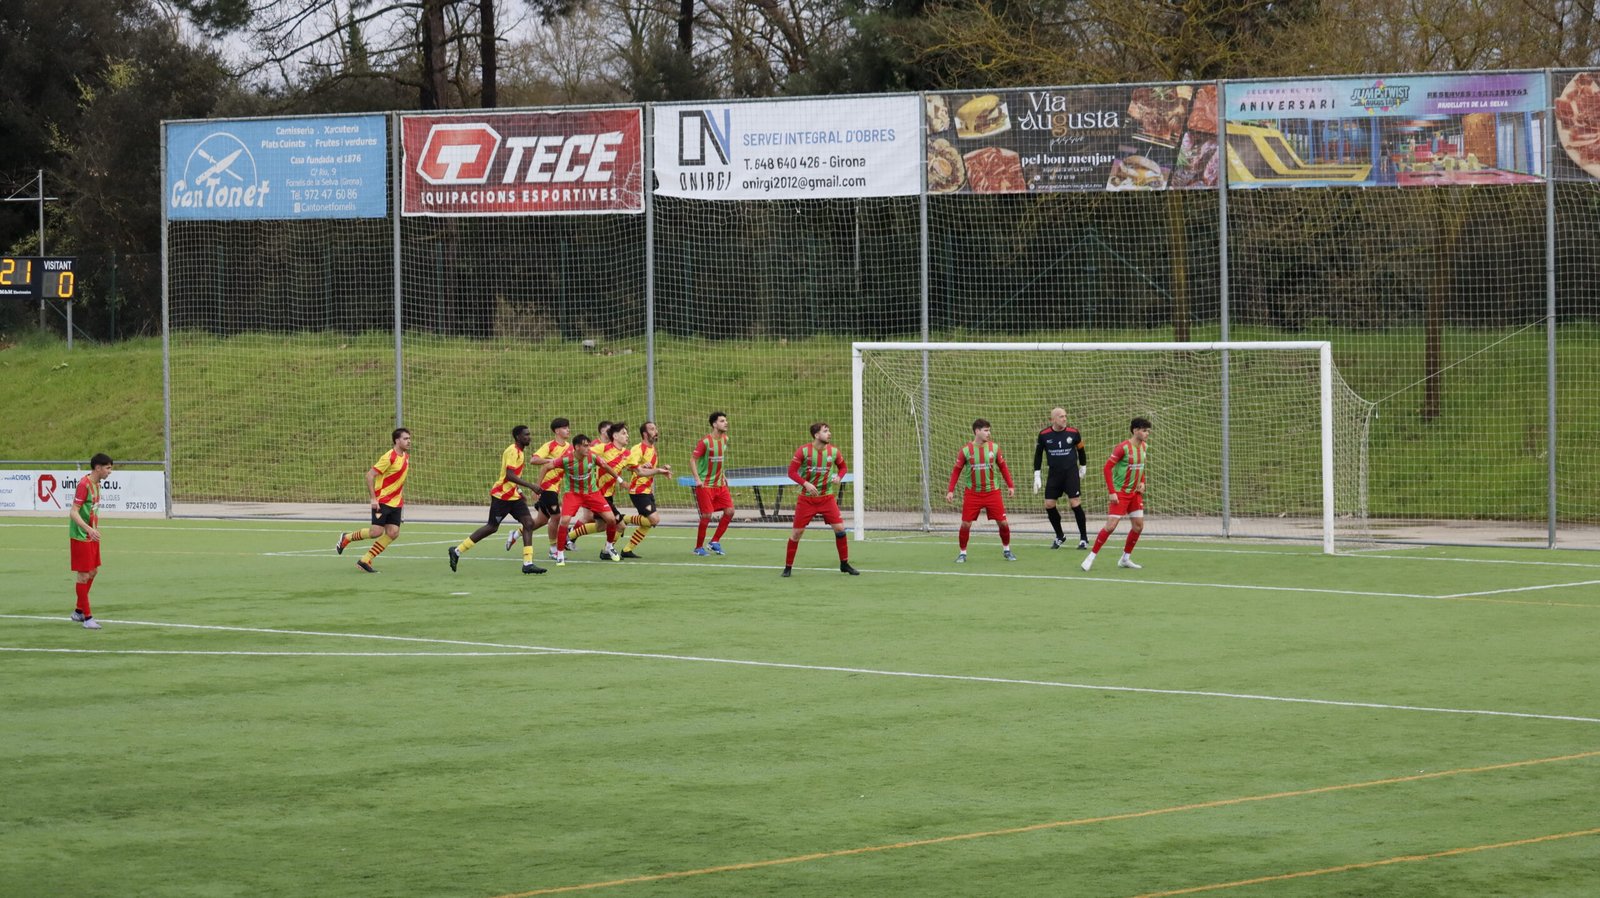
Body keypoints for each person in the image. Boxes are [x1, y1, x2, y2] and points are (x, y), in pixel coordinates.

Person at [449, 425, 554, 575]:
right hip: (502, 496)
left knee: (529, 523)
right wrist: (531, 486)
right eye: (526, 435)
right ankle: (457, 551)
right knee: (492, 527)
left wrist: (519, 491)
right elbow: (509, 476)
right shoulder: (512, 451)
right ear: (517, 437)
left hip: (513, 496)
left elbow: (514, 477)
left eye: (529, 434)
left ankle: (528, 563)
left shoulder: (520, 452)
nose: (529, 437)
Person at [782, 422, 860, 577]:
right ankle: (788, 567)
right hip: (806, 499)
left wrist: (839, 476)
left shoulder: (834, 451)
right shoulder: (804, 451)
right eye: (825, 431)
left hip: (827, 498)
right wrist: (806, 483)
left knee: (840, 529)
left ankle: (844, 564)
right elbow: (791, 472)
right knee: (797, 533)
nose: (829, 433)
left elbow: (843, 467)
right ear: (817, 435)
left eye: (829, 430)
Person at [1082, 417, 1152, 572]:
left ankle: (1125, 559)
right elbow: (1107, 468)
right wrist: (1112, 492)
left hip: (1135, 494)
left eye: (1148, 431)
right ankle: (1090, 557)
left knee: (1138, 526)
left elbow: (1140, 466)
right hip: (1120, 493)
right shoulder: (1122, 448)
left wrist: (1142, 482)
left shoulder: (1144, 446)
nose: (1147, 433)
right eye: (1144, 430)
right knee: (1111, 526)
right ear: (1135, 431)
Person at [337, 428, 411, 573]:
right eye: (405, 438)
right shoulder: (388, 457)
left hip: (396, 502)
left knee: (393, 533)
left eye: (409, 438)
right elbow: (369, 475)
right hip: (382, 501)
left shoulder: (406, 457)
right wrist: (373, 499)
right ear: (397, 441)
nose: (409, 441)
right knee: (376, 532)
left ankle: (365, 560)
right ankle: (347, 537)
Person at [945, 418, 1016, 563]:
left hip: (992, 492)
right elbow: (956, 471)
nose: (989, 433)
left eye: (989, 430)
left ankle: (1007, 550)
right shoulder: (966, 450)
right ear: (977, 431)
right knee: (966, 524)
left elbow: (1003, 467)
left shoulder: (994, 448)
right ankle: (962, 553)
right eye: (986, 430)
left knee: (1003, 523)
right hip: (973, 493)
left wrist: (1010, 485)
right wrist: (950, 490)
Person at [548, 434, 624, 566]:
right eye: (585, 446)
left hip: (592, 493)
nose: (588, 448)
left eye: (589, 445)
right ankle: (560, 554)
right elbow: (546, 467)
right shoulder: (566, 459)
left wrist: (620, 480)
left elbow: (605, 466)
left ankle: (609, 547)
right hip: (573, 494)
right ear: (577, 447)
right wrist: (538, 487)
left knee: (611, 519)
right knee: (564, 521)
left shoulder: (592, 457)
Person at [507, 417, 571, 559]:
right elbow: (533, 459)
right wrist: (551, 461)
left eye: (568, 427)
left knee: (541, 520)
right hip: (547, 487)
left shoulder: (570, 447)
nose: (568, 430)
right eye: (565, 428)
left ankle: (516, 534)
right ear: (557, 431)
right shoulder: (550, 446)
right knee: (556, 517)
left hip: (557, 487)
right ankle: (553, 550)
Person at [568, 422, 631, 558]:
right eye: (624, 433)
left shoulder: (627, 453)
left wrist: (655, 469)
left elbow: (636, 467)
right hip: (597, 493)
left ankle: (570, 536)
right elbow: (581, 453)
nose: (627, 436)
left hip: (608, 494)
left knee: (600, 526)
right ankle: (607, 550)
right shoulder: (602, 447)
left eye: (627, 433)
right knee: (619, 525)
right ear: (614, 436)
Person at [68, 453, 114, 630]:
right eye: (108, 468)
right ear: (98, 468)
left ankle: (79, 611)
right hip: (81, 536)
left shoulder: (97, 484)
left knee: (93, 571)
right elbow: (73, 512)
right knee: (83, 575)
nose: (110, 471)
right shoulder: (84, 485)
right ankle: (87, 618)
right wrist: (88, 529)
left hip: (91, 535)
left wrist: (93, 529)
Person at [1033, 407, 1089, 549]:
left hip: (1071, 474)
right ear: (1053, 419)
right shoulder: (1044, 435)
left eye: (1065, 416)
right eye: (1061, 416)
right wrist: (1037, 475)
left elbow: (1081, 450)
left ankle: (1083, 538)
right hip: (1054, 475)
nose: (1064, 419)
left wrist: (1083, 466)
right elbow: (1038, 454)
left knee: (1075, 503)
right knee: (1049, 504)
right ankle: (1060, 536)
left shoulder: (1074, 433)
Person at [617, 420, 672, 558]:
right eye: (652, 429)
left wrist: (662, 469)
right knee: (654, 520)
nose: (656, 431)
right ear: (645, 433)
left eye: (656, 429)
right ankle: (625, 518)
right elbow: (630, 466)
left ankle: (627, 550)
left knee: (647, 524)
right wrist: (645, 468)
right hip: (638, 490)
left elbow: (648, 469)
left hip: (647, 490)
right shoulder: (638, 448)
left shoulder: (652, 449)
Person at [691, 410, 734, 556]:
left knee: (730, 511)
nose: (726, 423)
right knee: (707, 515)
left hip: (720, 484)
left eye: (725, 420)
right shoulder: (705, 442)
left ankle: (714, 541)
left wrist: (723, 474)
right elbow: (692, 460)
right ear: (714, 424)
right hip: (705, 485)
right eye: (722, 421)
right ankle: (698, 547)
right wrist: (697, 479)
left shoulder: (725, 439)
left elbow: (719, 459)